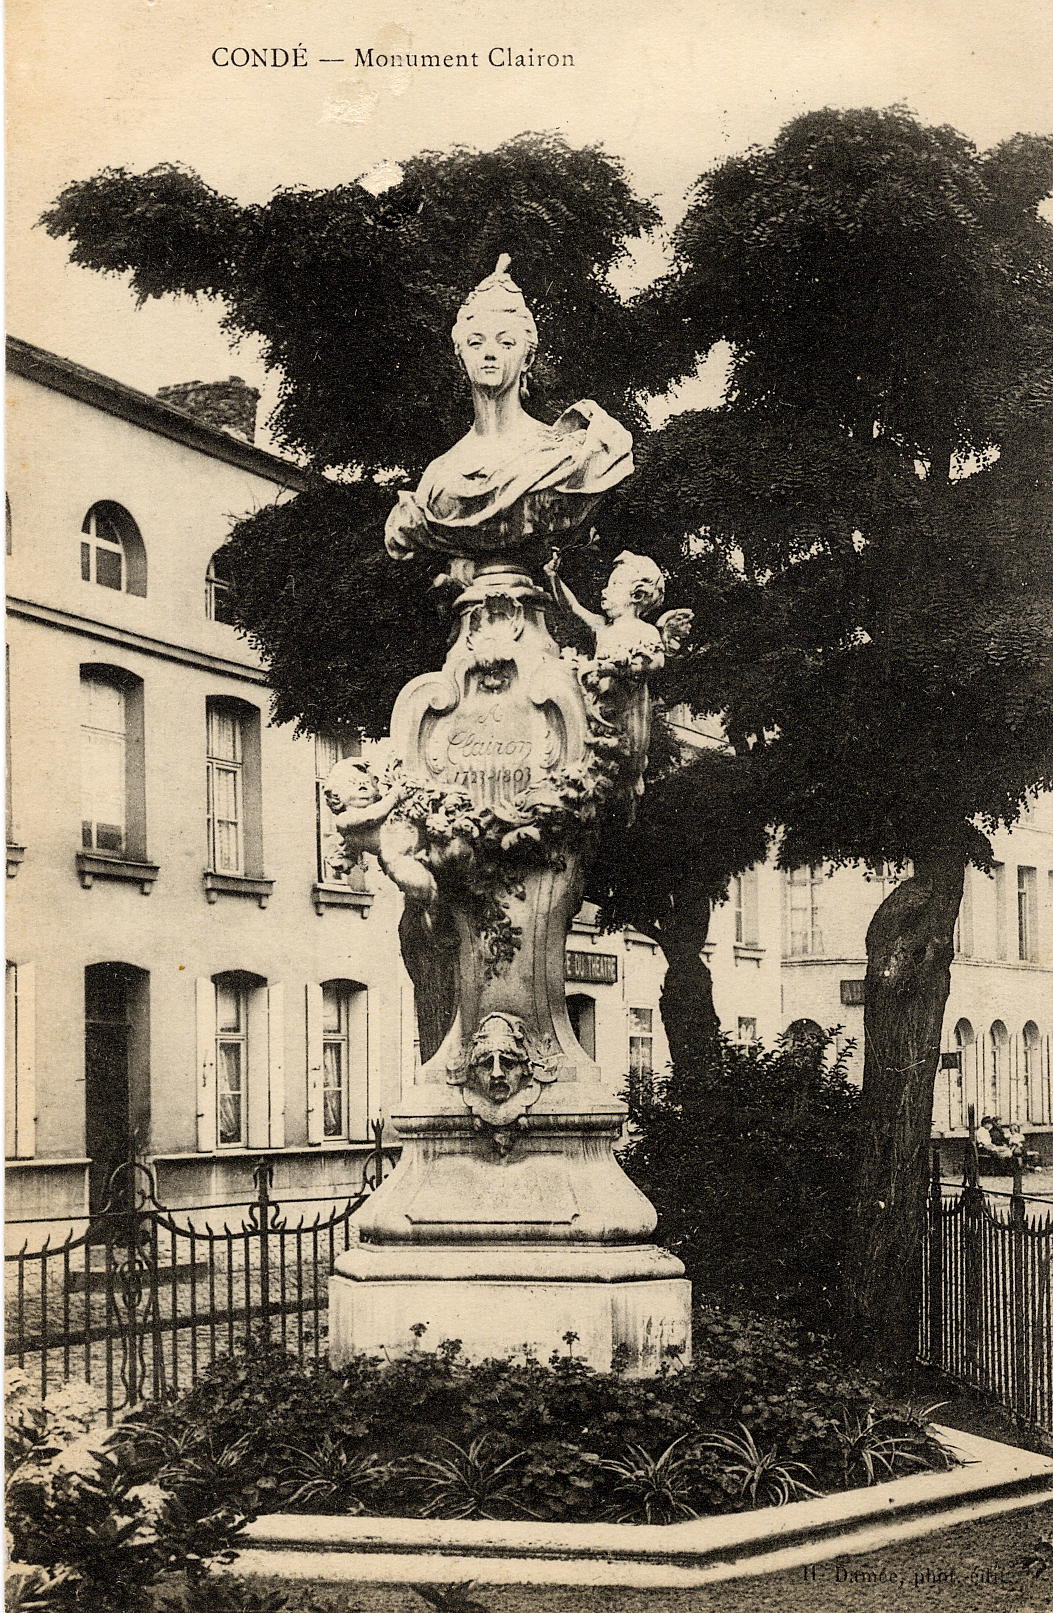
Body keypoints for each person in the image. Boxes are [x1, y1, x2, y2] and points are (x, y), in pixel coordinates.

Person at [384, 255, 633, 571]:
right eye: (476, 343)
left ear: (526, 358)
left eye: (506, 342)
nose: (489, 352)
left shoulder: (569, 454)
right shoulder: (437, 477)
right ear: (462, 360)